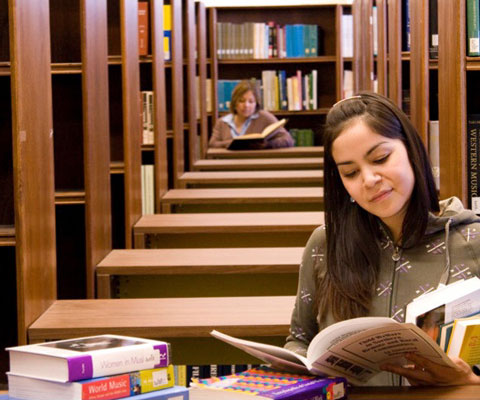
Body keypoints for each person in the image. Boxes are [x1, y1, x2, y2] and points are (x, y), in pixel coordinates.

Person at [285, 92, 480, 386]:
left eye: (381, 158)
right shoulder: (325, 244)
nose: (369, 180)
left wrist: (469, 382)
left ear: (411, 150)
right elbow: (299, 340)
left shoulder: (473, 239)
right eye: (350, 173)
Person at [208, 80, 294, 149]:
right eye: (241, 101)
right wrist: (233, 143)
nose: (246, 105)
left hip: (257, 166)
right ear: (234, 103)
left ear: (256, 103)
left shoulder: (265, 117)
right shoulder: (222, 122)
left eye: (251, 101)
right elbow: (213, 144)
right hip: (227, 166)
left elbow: (288, 140)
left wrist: (267, 145)